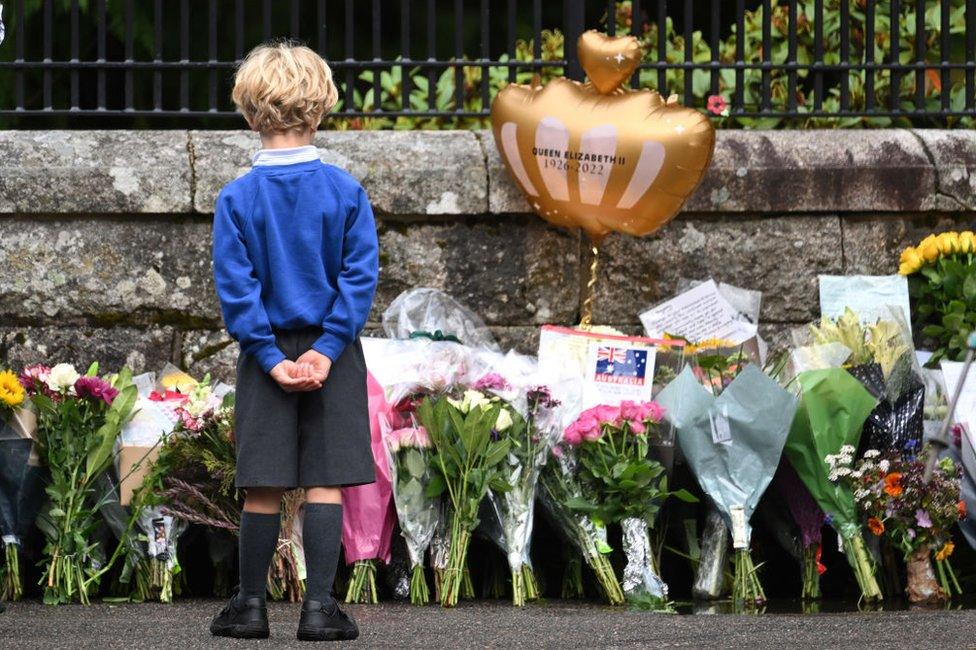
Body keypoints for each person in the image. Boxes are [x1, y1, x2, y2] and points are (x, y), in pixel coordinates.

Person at [209, 40, 378, 642]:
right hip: (332, 352)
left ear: (250, 112)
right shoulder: (345, 191)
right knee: (324, 479)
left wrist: (268, 355)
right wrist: (328, 348)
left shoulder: (236, 198)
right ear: (323, 106)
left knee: (263, 483)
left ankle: (250, 607)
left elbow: (237, 287)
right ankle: (319, 610)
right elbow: (358, 280)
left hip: (266, 353)